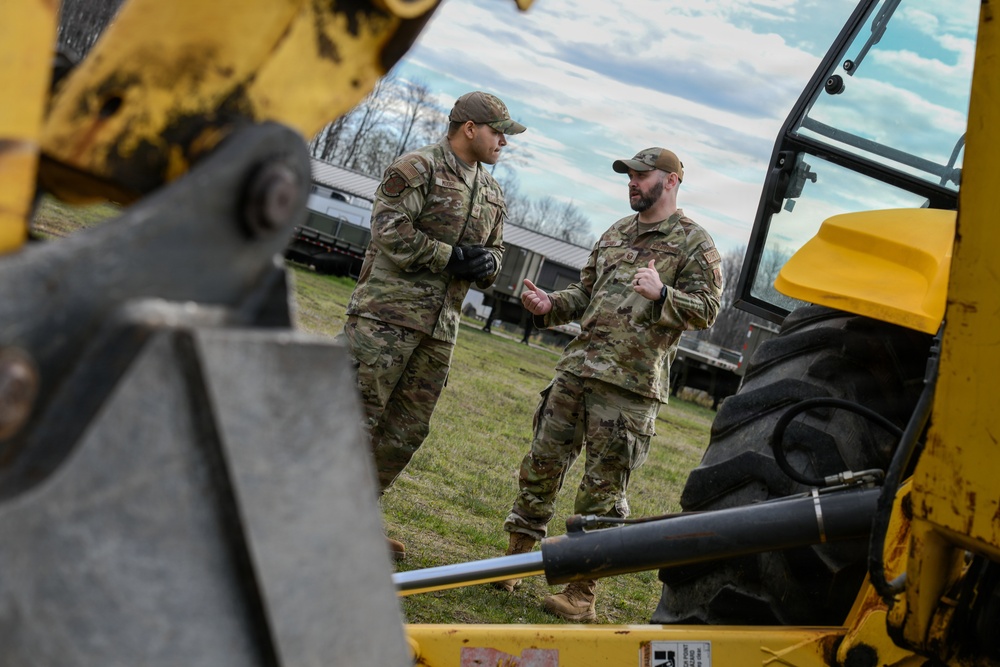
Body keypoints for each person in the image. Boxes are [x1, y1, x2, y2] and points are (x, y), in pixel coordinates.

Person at [494, 147, 723, 622]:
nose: (633, 182)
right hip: (578, 370)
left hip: (630, 388)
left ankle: (581, 592)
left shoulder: (695, 244)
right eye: (630, 176)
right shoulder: (616, 231)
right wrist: (549, 305)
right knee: (540, 464)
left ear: (672, 181)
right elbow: (585, 293)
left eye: (643, 175)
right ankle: (514, 560)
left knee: (601, 491)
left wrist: (664, 294)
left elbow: (708, 310)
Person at [342, 91, 526, 560]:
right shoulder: (417, 167)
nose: (503, 141)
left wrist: (486, 265)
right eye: (498, 132)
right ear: (470, 128)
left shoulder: (491, 191)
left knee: (405, 429)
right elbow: (389, 230)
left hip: (439, 329)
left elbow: (497, 252)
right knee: (352, 418)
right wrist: (449, 257)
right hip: (385, 318)